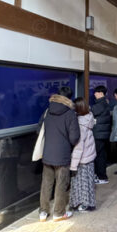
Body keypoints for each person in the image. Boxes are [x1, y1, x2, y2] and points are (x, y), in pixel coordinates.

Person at [37, 85, 80, 222]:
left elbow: (39, 130)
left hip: (47, 153)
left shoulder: (47, 110)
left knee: (46, 183)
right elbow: (74, 137)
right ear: (69, 98)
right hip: (62, 155)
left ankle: (43, 212)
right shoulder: (70, 113)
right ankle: (58, 213)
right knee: (61, 183)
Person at [69, 97, 97, 212]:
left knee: (80, 182)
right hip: (90, 156)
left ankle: (83, 204)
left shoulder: (80, 124)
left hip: (82, 158)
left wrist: (73, 165)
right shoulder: (89, 117)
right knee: (88, 181)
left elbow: (78, 147)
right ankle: (89, 203)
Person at [91, 85, 112, 185]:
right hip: (103, 134)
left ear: (100, 93)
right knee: (102, 155)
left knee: (98, 156)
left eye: (95, 92)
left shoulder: (100, 104)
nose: (94, 94)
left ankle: (101, 176)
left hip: (98, 134)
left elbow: (91, 113)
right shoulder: (106, 103)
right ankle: (102, 176)